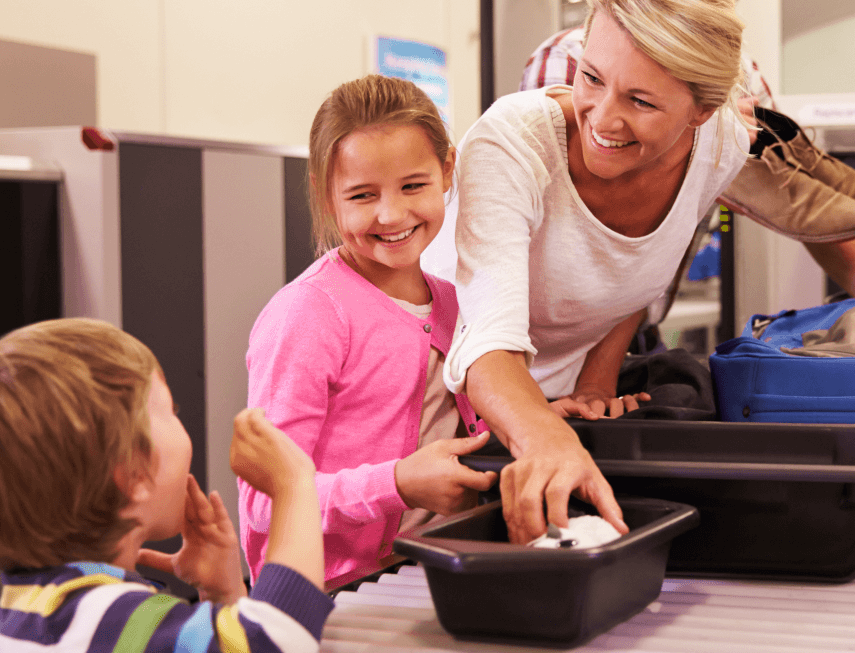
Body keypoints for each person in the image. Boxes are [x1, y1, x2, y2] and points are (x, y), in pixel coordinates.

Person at [446, 0, 749, 543]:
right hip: (444, 412)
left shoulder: (721, 144)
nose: (603, 119)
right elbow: (486, 344)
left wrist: (596, 383)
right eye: (590, 77)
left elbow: (637, 272)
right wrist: (545, 436)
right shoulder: (513, 144)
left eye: (641, 101)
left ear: (701, 112)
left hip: (556, 416)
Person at [522, 0, 855, 298]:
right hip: (551, 306)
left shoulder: (743, 74)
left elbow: (807, 208)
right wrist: (706, 138)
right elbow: (562, 204)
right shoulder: (571, 56)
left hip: (641, 307)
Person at [238, 75, 498, 590]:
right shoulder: (308, 314)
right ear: (325, 195)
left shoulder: (453, 301)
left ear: (447, 170)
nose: (391, 214)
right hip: (326, 596)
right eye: (362, 194)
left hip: (426, 575)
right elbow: (266, 501)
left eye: (413, 186)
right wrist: (397, 484)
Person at [0, 318, 333, 653]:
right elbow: (274, 641)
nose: (179, 417)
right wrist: (294, 486)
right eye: (171, 410)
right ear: (134, 473)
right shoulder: (105, 617)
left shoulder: (20, 605)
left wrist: (223, 596)